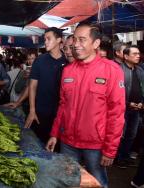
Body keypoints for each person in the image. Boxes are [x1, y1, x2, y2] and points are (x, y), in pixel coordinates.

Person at [46, 23, 126, 187]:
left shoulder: (112, 70)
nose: (76, 44)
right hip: (68, 143)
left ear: (96, 44)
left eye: (82, 40)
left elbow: (116, 114)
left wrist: (110, 150)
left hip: (95, 146)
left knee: (98, 183)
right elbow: (62, 106)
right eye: (75, 39)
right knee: (68, 182)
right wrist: (55, 134)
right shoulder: (68, 70)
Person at [25, 27, 67, 144]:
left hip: (60, 114)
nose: (46, 42)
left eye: (49, 39)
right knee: (39, 144)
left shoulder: (67, 61)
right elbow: (32, 86)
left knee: (58, 149)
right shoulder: (40, 61)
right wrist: (32, 110)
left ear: (59, 40)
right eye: (45, 39)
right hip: (40, 113)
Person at [116, 45, 143, 168]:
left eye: (138, 53)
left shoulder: (140, 70)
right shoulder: (119, 70)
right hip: (123, 109)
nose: (138, 55)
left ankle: (125, 156)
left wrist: (142, 102)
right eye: (134, 53)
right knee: (121, 134)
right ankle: (119, 159)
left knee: (132, 134)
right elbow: (116, 92)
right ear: (126, 56)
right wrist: (128, 103)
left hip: (137, 109)